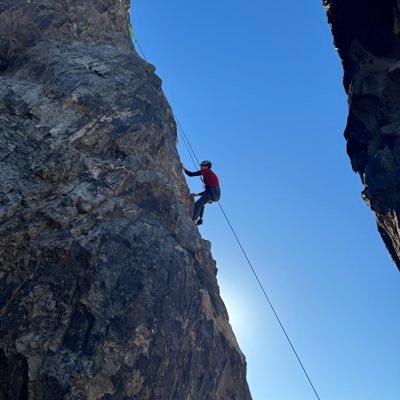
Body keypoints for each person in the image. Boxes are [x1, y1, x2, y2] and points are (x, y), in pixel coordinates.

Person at [181, 160, 221, 225]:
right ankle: (200, 218)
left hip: (211, 193)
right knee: (202, 202)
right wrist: (196, 194)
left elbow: (191, 174)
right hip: (216, 195)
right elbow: (209, 190)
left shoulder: (206, 171)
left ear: (206, 167)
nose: (200, 167)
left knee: (198, 204)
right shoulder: (211, 173)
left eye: (202, 166)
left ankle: (194, 221)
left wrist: (183, 167)